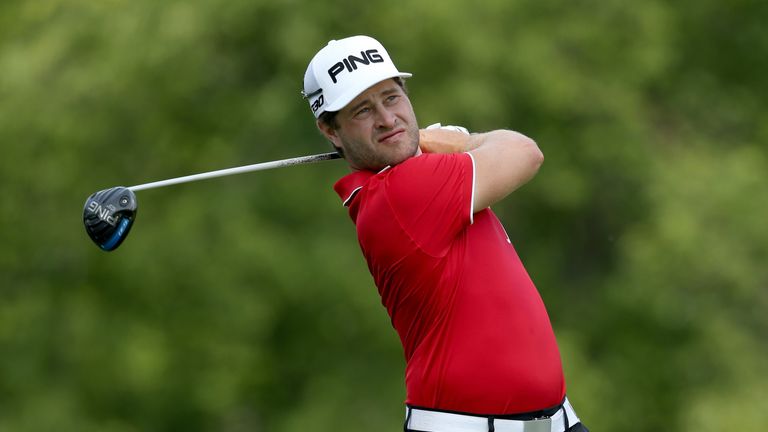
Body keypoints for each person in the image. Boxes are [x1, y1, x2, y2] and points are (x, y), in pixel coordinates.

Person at [302, 35, 589, 432]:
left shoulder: (416, 181)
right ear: (331, 131)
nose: (387, 119)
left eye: (391, 97)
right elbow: (525, 153)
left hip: (557, 422)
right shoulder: (402, 193)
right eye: (362, 111)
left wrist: (431, 147)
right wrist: (465, 141)